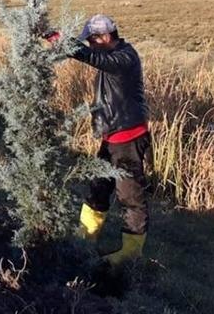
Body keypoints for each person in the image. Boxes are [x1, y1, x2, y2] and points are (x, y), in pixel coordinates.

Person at [49, 14, 150, 267]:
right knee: (98, 187)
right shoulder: (111, 57)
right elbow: (94, 56)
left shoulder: (124, 57)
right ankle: (86, 237)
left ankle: (130, 253)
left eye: (92, 41)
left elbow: (92, 57)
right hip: (111, 136)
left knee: (130, 196)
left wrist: (59, 40)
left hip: (128, 137)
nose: (90, 46)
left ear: (105, 37)